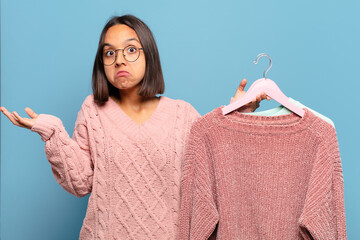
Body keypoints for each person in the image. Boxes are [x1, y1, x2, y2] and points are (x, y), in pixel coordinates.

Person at [0, 15, 268, 240]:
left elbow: (216, 171)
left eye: (130, 49)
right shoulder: (93, 110)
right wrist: (53, 132)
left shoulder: (182, 114)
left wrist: (235, 114)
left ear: (148, 54)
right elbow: (80, 183)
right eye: (109, 53)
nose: (119, 60)